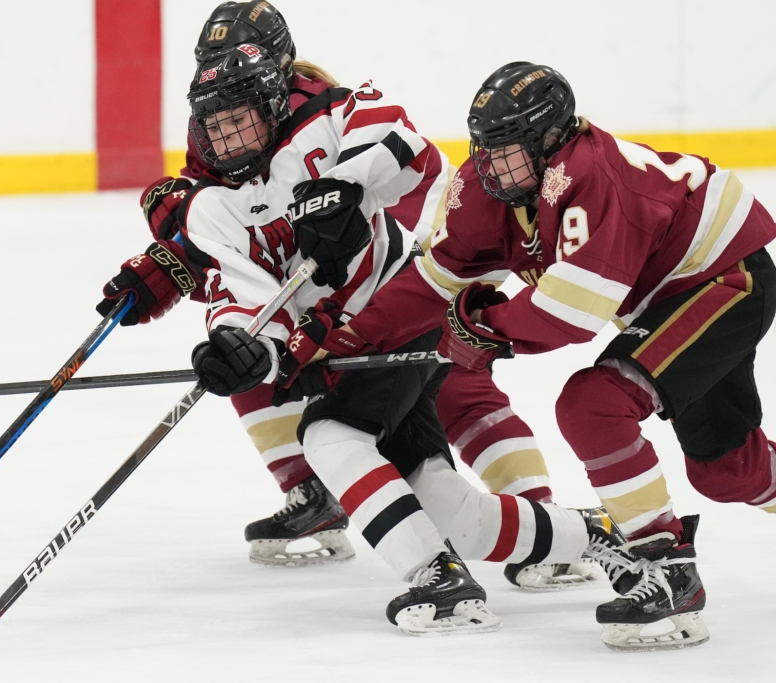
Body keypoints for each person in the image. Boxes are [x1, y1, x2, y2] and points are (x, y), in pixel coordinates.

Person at [99, 2, 588, 591]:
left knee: (458, 389)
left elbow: (428, 184)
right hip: (325, 317)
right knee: (249, 359)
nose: (220, 87)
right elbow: (237, 239)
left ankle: (539, 517)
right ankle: (316, 493)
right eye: (209, 64)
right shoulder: (222, 128)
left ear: (274, 69)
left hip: (412, 282)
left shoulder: (332, 113)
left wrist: (426, 253)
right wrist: (171, 264)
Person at [321, 61, 776, 650]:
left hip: (722, 280)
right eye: (485, 150)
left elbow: (573, 312)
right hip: (670, 297)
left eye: (508, 152)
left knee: (594, 404)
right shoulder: (489, 185)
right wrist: (348, 338)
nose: (491, 167)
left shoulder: (589, 177)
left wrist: (486, 328)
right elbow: (435, 280)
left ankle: (667, 570)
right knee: (724, 470)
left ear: (553, 139)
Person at [178, 45, 630, 637]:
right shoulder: (209, 208)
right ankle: (592, 533)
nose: (227, 137)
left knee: (331, 435)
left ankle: (436, 577)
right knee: (449, 507)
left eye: (238, 118)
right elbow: (243, 295)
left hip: (399, 314)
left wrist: (341, 184)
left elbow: (402, 141)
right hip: (344, 343)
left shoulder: (327, 119)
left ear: (269, 103)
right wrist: (241, 347)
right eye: (214, 125)